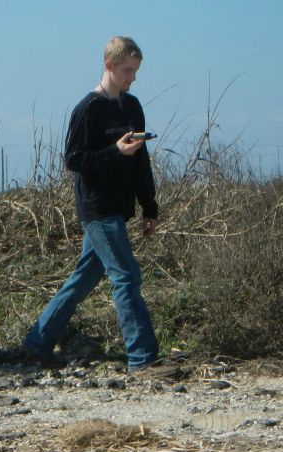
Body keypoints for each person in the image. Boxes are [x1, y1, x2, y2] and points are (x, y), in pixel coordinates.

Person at [22, 36, 178, 377]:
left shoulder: (132, 106)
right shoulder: (88, 109)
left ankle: (37, 342)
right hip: (96, 207)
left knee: (84, 278)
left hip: (121, 207)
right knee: (126, 275)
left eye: (135, 72)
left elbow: (141, 161)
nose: (131, 78)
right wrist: (114, 152)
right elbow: (74, 159)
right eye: (127, 71)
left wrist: (149, 206)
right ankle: (143, 359)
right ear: (109, 65)